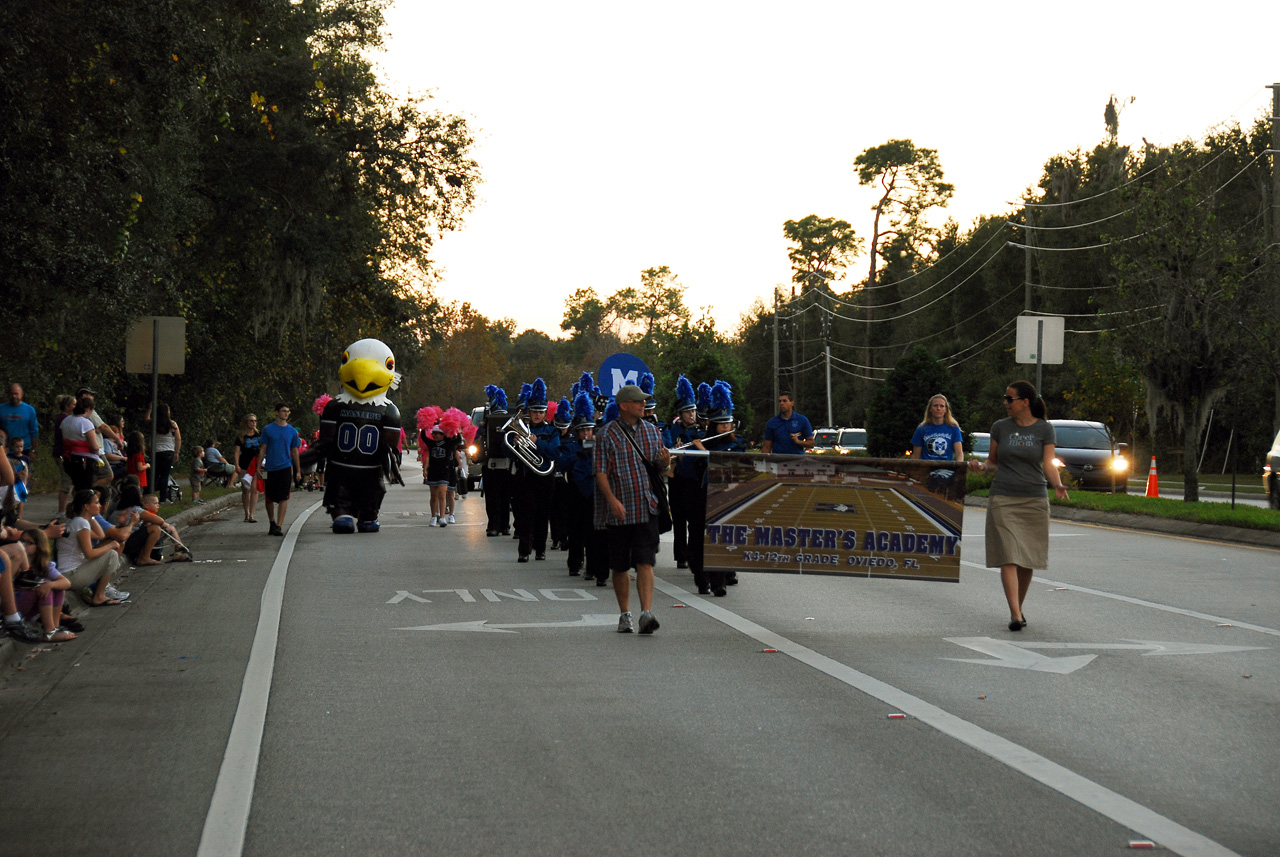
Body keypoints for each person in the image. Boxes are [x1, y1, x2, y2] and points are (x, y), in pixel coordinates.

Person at [967, 380, 1069, 632]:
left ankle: (1018, 608)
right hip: (1003, 497)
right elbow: (993, 461)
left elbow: (1048, 462)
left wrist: (1057, 483)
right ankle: (1014, 612)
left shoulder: (1045, 429)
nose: (1005, 403)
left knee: (1027, 560)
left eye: (1010, 399)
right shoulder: (1000, 428)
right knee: (1008, 557)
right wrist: (981, 467)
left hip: (1034, 498)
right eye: (1005, 398)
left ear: (1025, 402)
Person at [595, 383, 671, 634]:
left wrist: (664, 462)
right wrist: (612, 501)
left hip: (646, 506)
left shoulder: (652, 431)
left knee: (645, 561)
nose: (643, 405)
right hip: (620, 510)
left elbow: (659, 470)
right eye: (638, 402)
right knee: (620, 566)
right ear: (624, 406)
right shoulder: (606, 435)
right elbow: (601, 473)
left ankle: (646, 613)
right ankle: (624, 614)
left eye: (644, 402)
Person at [56, 489, 124, 606]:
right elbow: (90, 554)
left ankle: (99, 593)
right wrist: (111, 545)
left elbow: (100, 535)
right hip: (71, 575)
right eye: (96, 503)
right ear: (86, 506)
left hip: (69, 573)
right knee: (112, 554)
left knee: (109, 552)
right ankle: (99, 596)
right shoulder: (81, 523)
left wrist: (91, 517)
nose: (100, 505)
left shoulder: (77, 521)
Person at [14, 529, 75, 642]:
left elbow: (66, 583)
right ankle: (49, 631)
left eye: (30, 543)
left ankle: (54, 628)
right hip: (16, 606)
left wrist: (50, 585)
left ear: (39, 547)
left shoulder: (44, 566)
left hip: (34, 609)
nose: (24, 545)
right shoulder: (15, 561)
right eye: (22, 541)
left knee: (55, 587)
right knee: (44, 584)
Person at [257, 403, 301, 537]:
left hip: (285, 468)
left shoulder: (292, 431)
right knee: (269, 497)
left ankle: (279, 526)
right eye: (283, 411)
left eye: (288, 411)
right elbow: (263, 448)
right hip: (269, 468)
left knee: (284, 497)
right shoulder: (268, 430)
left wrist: (298, 470)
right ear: (276, 412)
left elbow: (295, 451)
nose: (286, 414)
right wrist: (259, 466)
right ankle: (272, 522)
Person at [0, 383, 39, 473]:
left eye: (16, 393)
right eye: (12, 393)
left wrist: (33, 450)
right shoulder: (1, 409)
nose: (14, 396)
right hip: (5, 449)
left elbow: (34, 431)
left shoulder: (29, 410)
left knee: (22, 476)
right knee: (6, 476)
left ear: (21, 394)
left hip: (22, 449)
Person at [233, 414, 263, 523]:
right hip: (245, 464)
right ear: (246, 422)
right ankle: (246, 512)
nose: (253, 423)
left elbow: (264, 448)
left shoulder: (259, 435)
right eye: (251, 421)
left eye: (255, 420)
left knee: (254, 489)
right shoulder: (241, 437)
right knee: (245, 489)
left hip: (256, 465)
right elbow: (237, 451)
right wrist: (236, 464)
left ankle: (252, 514)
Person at [149, 403, 181, 502]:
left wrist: (150, 409)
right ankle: (163, 498)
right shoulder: (172, 424)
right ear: (168, 412)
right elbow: (178, 439)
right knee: (165, 475)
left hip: (156, 451)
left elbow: (146, 419)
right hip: (168, 451)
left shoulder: (154, 423)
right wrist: (177, 452)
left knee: (154, 475)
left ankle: (150, 496)